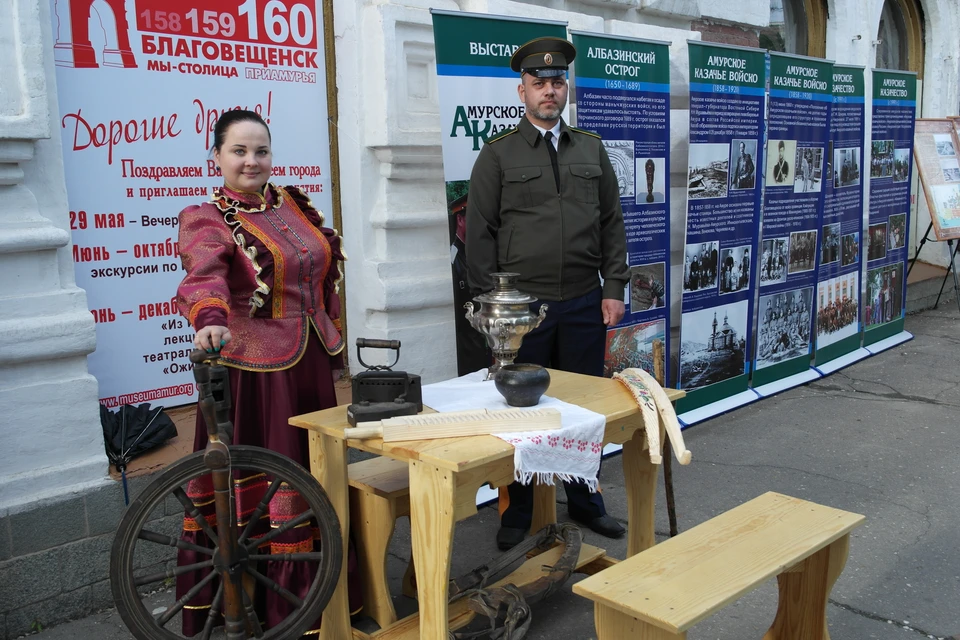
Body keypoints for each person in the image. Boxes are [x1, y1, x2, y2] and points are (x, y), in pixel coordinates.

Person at [173, 109, 359, 635]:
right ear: (217, 157)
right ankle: (279, 610)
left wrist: (335, 340)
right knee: (274, 485)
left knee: (317, 476)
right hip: (256, 375)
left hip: (310, 367)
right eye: (239, 151)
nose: (251, 161)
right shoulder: (204, 216)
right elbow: (202, 273)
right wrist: (209, 319)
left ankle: (326, 602)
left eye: (261, 151)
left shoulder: (293, 204)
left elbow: (325, 279)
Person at [466, 37, 629, 550]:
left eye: (557, 82)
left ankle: (585, 500)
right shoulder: (498, 155)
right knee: (518, 413)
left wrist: (615, 285)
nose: (549, 91)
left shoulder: (590, 148)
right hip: (523, 310)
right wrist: (492, 306)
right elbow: (479, 233)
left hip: (584, 298)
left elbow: (611, 223)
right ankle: (516, 511)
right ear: (522, 91)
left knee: (580, 406)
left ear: (565, 88)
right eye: (539, 83)